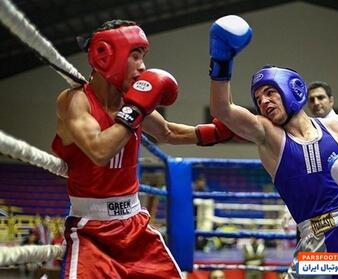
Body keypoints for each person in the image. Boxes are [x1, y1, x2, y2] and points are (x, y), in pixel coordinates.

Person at [52, 19, 237, 278]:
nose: (143, 66)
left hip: (134, 225)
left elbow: (168, 131)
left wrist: (215, 132)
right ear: (107, 56)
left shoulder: (130, 102)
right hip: (91, 229)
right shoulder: (75, 101)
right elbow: (98, 150)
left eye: (143, 57)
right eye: (135, 56)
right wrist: (135, 109)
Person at [207, 15, 338, 279]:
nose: (263, 101)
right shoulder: (269, 135)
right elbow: (222, 109)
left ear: (292, 90)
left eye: (270, 92)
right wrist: (222, 60)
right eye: (258, 98)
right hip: (314, 240)